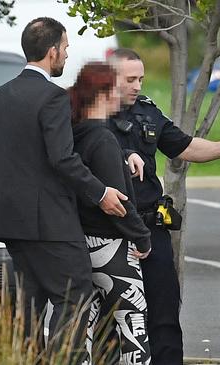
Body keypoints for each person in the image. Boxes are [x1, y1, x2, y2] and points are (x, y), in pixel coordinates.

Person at [0, 17, 129, 360]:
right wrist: (101, 193)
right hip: (51, 224)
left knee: (28, 308)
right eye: (66, 48)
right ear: (52, 51)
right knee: (74, 296)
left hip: (10, 220)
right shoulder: (53, 97)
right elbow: (63, 159)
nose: (67, 55)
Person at [107, 48, 220, 364]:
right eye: (130, 79)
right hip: (109, 231)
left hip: (150, 228)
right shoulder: (89, 118)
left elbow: (186, 147)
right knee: (110, 316)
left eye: (141, 78)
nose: (138, 85)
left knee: (164, 312)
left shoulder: (147, 111)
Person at [69, 62, 152, 365]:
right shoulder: (103, 139)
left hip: (80, 245)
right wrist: (142, 238)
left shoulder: (72, 136)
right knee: (133, 327)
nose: (126, 91)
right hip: (113, 249)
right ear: (103, 93)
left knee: (84, 330)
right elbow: (118, 203)